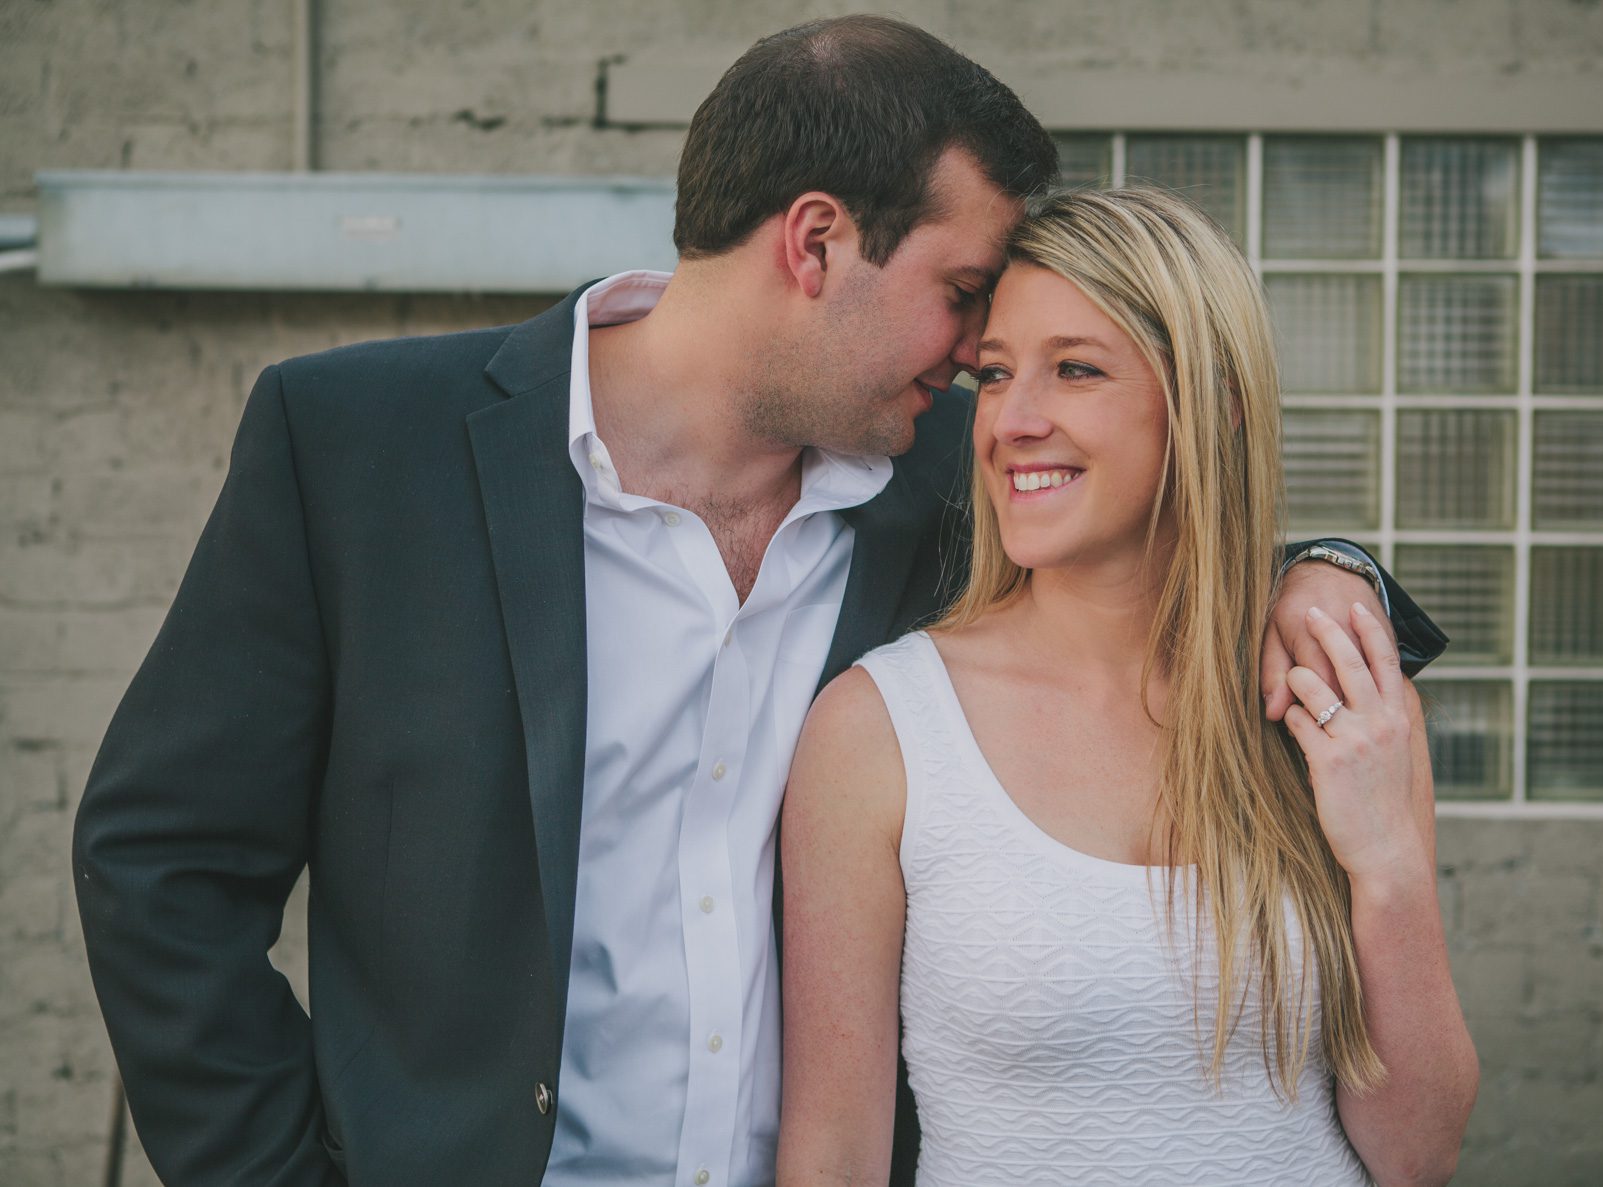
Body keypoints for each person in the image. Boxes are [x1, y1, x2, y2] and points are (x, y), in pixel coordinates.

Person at [71, 18, 1446, 1187]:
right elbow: (161, 861)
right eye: (965, 295)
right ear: (816, 241)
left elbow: (1159, 519)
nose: (983, 360)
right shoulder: (360, 445)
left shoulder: (940, 489)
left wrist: (1331, 572)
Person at [777, 187, 1477, 1187]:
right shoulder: (877, 728)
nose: (1012, 420)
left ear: (1209, 403)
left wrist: (1387, 864)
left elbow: (1418, 1152)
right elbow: (832, 1155)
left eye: (1075, 369)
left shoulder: (1335, 701)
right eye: (994, 373)